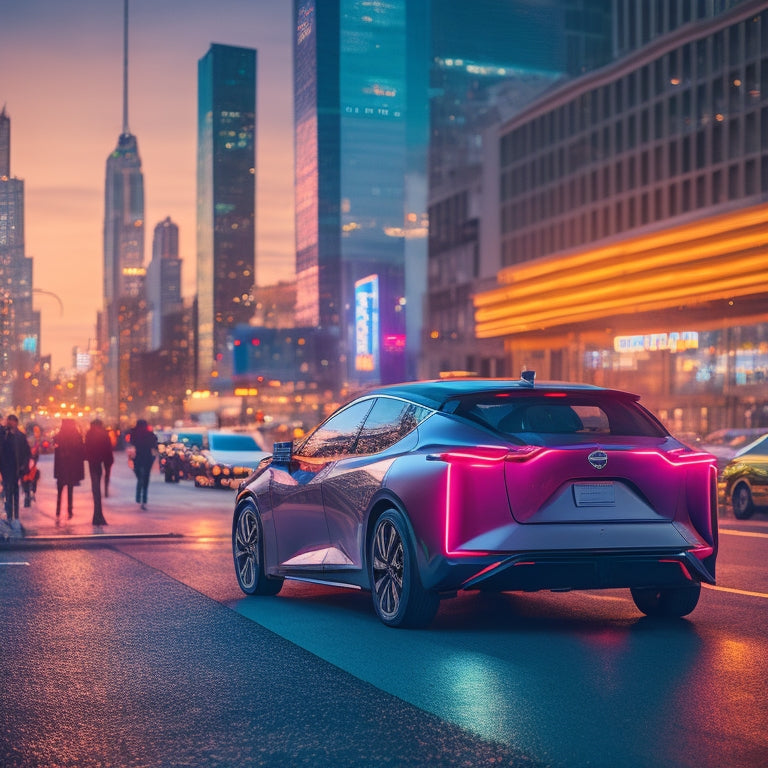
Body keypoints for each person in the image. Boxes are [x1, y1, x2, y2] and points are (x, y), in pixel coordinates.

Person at [1, 414, 31, 525]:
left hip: (17, 468)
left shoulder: (21, 436)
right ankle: (10, 515)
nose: (10, 423)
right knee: (8, 491)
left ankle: (16, 515)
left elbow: (26, 453)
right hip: (6, 467)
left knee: (15, 491)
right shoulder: (4, 435)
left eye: (12, 421)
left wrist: (24, 465)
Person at [53, 419, 85, 520]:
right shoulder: (76, 435)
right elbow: (80, 450)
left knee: (60, 490)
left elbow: (55, 443)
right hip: (71, 468)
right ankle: (69, 511)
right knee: (70, 490)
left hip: (61, 468)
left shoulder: (59, 436)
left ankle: (58, 510)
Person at [84, 419, 114, 526]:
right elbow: (108, 450)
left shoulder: (89, 434)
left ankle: (97, 515)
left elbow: (86, 449)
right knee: (97, 490)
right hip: (100, 464)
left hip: (93, 464)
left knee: (95, 490)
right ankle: (98, 515)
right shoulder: (104, 434)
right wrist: (108, 464)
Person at [128, 419, 158, 510]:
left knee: (139, 476)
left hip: (138, 456)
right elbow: (154, 445)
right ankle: (144, 499)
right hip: (147, 457)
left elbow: (131, 442)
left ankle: (138, 496)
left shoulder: (134, 433)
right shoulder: (149, 434)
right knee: (146, 478)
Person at [22, 423, 43, 507]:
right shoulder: (33, 440)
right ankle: (31, 491)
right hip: (29, 462)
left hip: (27, 462)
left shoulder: (24, 438)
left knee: (27, 476)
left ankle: (28, 493)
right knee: (32, 476)